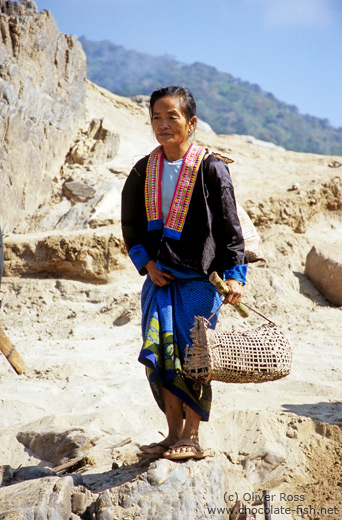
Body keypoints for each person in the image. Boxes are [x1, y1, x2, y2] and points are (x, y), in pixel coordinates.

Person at [121, 86, 247, 460]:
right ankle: (171, 434)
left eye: (171, 116)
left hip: (201, 282)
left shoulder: (211, 167)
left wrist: (236, 275)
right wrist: (147, 263)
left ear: (191, 123)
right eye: (156, 117)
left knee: (194, 358)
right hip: (159, 281)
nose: (163, 124)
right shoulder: (144, 169)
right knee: (160, 355)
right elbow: (130, 224)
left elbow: (230, 228)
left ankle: (192, 436)